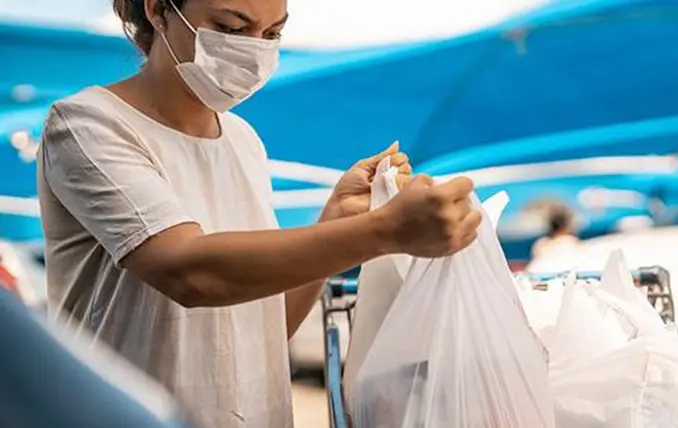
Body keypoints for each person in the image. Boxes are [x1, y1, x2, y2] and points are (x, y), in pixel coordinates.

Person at [36, 0, 482, 427]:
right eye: (231, 28)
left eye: (272, 33)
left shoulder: (242, 140)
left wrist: (335, 222)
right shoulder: (88, 125)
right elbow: (189, 273)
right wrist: (383, 231)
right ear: (158, 10)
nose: (252, 49)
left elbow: (263, 324)